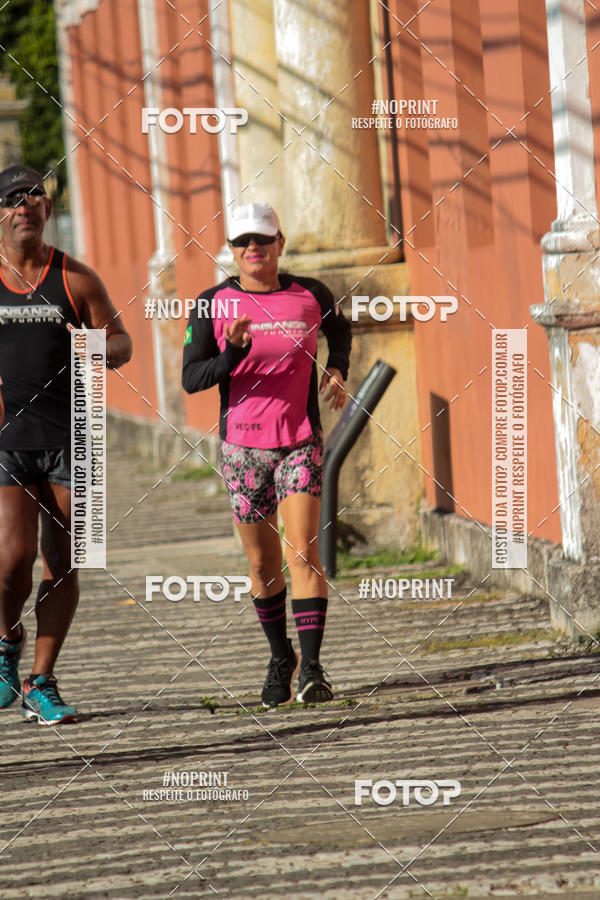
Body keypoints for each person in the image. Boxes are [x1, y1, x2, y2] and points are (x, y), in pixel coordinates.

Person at [182, 202, 351, 707]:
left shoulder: (310, 295)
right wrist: (231, 354)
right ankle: (282, 658)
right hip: (242, 451)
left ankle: (313, 671)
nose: (252, 248)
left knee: (303, 551)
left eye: (262, 239)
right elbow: (192, 379)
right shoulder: (212, 304)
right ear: (231, 251)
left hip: (299, 440)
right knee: (262, 563)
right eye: (241, 242)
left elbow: (340, 329)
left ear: (280, 243)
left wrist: (336, 368)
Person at [0, 164, 132, 724]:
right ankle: (7, 644)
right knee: (11, 561)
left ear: (48, 211)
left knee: (67, 560)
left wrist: (100, 349)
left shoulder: (75, 278)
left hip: (76, 437)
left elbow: (122, 339)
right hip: (8, 439)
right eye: (12, 197)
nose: (25, 204)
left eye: (35, 196)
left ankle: (42, 680)